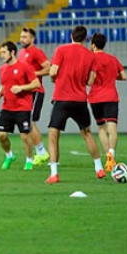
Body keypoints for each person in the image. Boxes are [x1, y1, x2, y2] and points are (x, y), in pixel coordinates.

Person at [46, 25, 106, 184]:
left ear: (71, 36)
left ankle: (54, 173)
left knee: (53, 134)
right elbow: (90, 81)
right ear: (85, 38)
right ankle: (99, 168)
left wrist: (56, 79)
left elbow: (52, 72)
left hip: (62, 98)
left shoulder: (61, 50)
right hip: (80, 100)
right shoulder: (91, 56)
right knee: (87, 133)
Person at [0, 41, 40, 170]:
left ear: (12, 52)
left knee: (25, 136)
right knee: (1, 135)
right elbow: (4, 84)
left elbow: (36, 84)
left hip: (23, 107)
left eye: (4, 52)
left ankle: (29, 160)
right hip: (7, 107)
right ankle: (9, 155)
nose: (1, 55)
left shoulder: (25, 67)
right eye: (0, 53)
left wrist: (21, 88)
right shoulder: (2, 69)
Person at [88, 33, 127, 172]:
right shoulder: (112, 59)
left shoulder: (91, 58)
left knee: (101, 128)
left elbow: (90, 80)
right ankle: (112, 154)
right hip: (111, 96)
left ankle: (107, 158)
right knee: (112, 129)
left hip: (95, 97)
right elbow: (124, 76)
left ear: (93, 44)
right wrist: (111, 77)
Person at [18, 27, 51, 166]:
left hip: (36, 91)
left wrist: (33, 74)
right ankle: (38, 153)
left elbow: (48, 68)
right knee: (27, 124)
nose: (22, 39)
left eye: (25, 37)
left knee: (29, 121)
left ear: (32, 39)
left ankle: (42, 152)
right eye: (21, 36)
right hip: (25, 92)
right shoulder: (21, 53)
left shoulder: (37, 52)